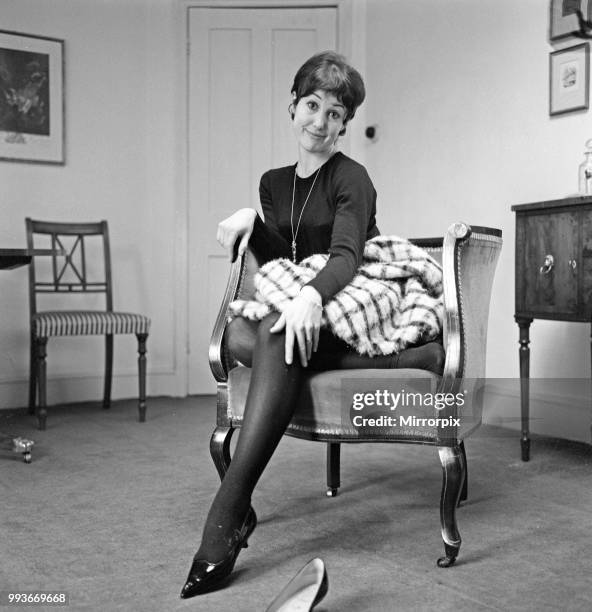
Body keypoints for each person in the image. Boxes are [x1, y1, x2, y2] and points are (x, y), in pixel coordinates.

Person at [180, 51, 444, 600]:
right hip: (302, 305)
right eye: (311, 106)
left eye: (333, 113)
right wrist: (251, 223)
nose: (319, 122)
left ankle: (226, 518)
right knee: (235, 336)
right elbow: (284, 252)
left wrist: (309, 297)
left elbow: (346, 256)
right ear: (293, 108)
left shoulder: (353, 176)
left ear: (346, 123)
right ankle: (409, 360)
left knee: (272, 335)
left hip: (352, 297)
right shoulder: (273, 182)